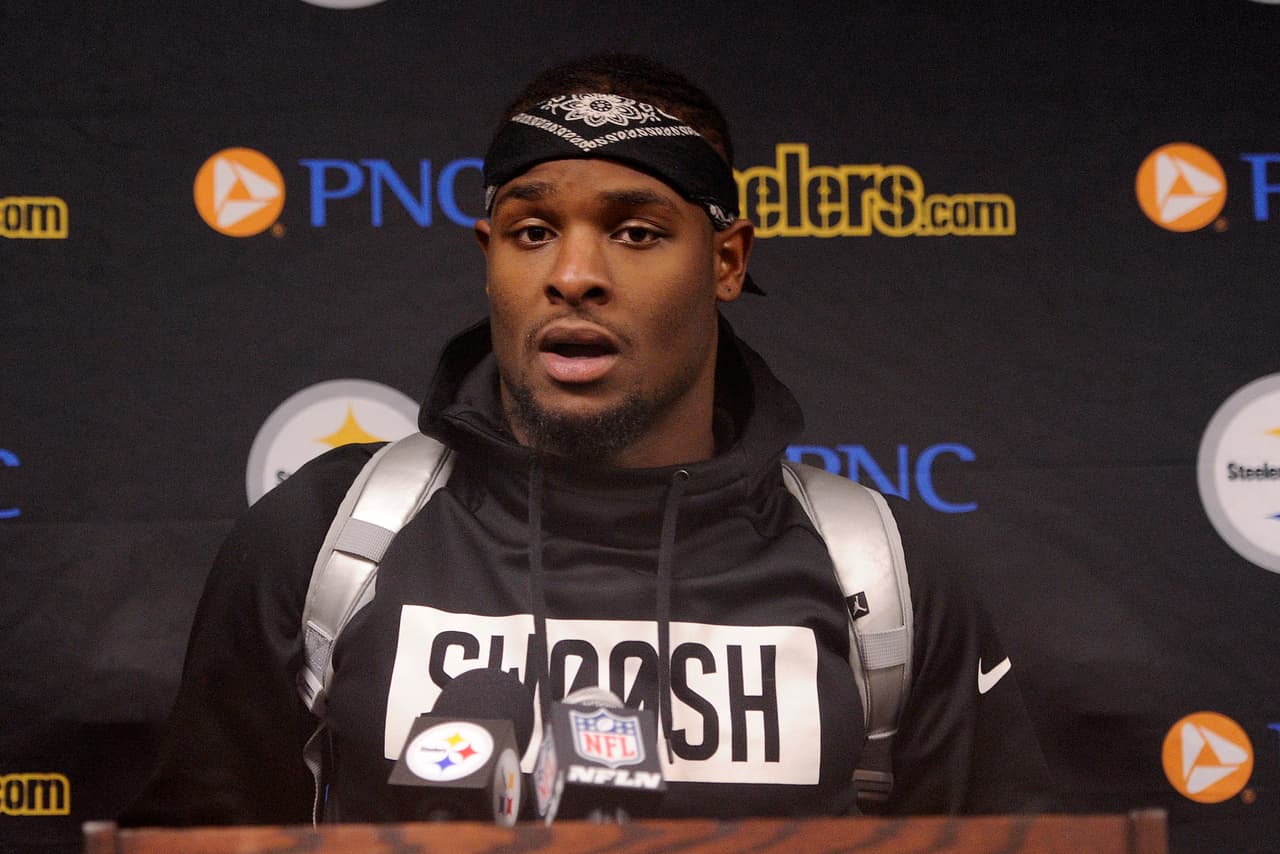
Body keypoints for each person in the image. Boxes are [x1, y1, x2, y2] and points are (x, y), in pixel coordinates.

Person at [125, 53, 1054, 826]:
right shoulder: (324, 542)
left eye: (637, 233)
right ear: (489, 257)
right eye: (532, 231)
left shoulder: (881, 573)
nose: (574, 275)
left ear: (727, 261)